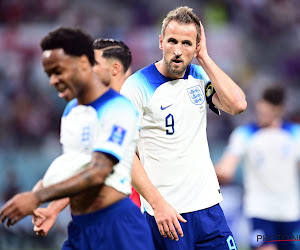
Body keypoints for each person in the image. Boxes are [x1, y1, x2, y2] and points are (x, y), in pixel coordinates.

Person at [0, 27, 154, 250]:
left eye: (59, 71)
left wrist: (37, 197)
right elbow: (76, 167)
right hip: (81, 227)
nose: (54, 80)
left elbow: (99, 171)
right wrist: (47, 203)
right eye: (49, 73)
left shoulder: (120, 108)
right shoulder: (72, 111)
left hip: (118, 224)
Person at [120, 5, 247, 250]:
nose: (178, 51)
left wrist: (206, 58)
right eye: (172, 41)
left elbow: (238, 104)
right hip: (169, 215)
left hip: (210, 210)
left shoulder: (199, 76)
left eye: (187, 44)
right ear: (161, 42)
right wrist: (158, 205)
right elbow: (125, 153)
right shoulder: (136, 86)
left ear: (197, 46)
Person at [31, 37, 141, 237]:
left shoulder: (137, 108)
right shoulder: (77, 110)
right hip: (91, 223)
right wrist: (53, 209)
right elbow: (82, 169)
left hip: (131, 218)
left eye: (94, 64)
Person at [215, 86, 300, 250]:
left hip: (289, 211)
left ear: (279, 109)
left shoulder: (295, 134)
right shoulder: (244, 134)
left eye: (268, 110)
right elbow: (227, 168)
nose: (263, 114)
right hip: (260, 210)